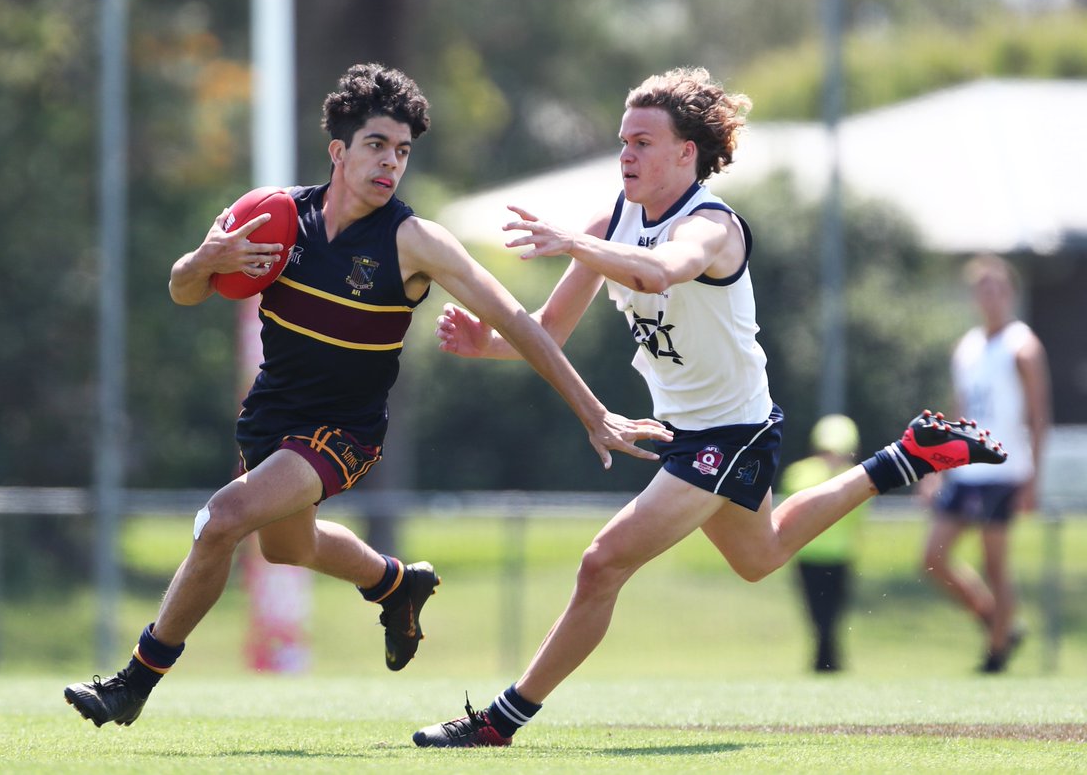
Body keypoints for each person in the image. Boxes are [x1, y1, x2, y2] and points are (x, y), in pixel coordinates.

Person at [412, 66, 1007, 748]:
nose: (625, 154)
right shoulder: (611, 220)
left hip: (732, 432)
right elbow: (546, 334)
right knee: (763, 555)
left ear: (684, 153)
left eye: (641, 142)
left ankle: (500, 719)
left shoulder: (713, 227)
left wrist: (574, 243)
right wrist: (483, 342)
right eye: (622, 141)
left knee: (601, 562)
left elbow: (660, 270)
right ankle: (902, 457)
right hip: (689, 432)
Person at [64, 63, 672, 728]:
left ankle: (133, 682)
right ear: (339, 151)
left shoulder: (413, 242)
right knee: (287, 550)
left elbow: (520, 323)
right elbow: (184, 289)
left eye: (403, 151)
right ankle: (395, 583)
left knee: (223, 518)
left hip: (344, 430)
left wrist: (595, 413)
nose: (391, 163)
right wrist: (205, 258)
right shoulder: (275, 218)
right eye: (377, 145)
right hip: (271, 416)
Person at [919, 255, 1050, 674]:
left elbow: (1039, 413)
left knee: (995, 563)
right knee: (932, 559)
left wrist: (1034, 477)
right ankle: (997, 621)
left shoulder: (1022, 346)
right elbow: (959, 415)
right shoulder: (968, 346)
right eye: (982, 288)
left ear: (1009, 293)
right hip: (966, 468)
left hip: (1004, 468)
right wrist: (938, 466)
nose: (989, 296)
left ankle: (995, 657)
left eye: (997, 287)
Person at [781, 414, 869, 673]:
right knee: (829, 616)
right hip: (833, 556)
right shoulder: (854, 477)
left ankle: (825, 662)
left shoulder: (797, 472)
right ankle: (828, 663)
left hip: (810, 555)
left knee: (820, 616)